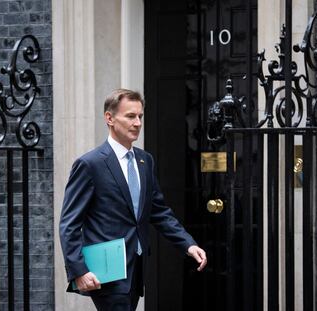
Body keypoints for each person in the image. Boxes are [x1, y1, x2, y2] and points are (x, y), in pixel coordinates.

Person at [59, 89, 207, 311]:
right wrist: (79, 270)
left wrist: (188, 243)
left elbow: (158, 211)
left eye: (140, 116)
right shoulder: (90, 164)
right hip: (106, 270)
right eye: (130, 116)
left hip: (136, 269)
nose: (137, 123)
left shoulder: (144, 160)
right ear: (109, 118)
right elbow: (69, 223)